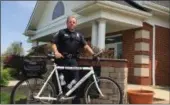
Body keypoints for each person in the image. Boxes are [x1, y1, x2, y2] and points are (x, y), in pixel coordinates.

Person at [51, 16, 95, 104]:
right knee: (61, 83)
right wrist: (56, 52)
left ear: (76, 24)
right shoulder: (61, 32)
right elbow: (53, 43)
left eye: (74, 22)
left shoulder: (79, 35)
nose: (72, 23)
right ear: (67, 23)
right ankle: (60, 102)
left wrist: (94, 54)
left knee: (76, 83)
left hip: (73, 61)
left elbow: (86, 46)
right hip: (62, 60)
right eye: (70, 22)